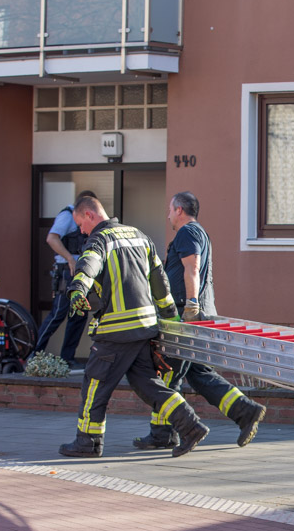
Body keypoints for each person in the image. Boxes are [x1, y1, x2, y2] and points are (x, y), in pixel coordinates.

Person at [58, 195, 209, 458]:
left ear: (90, 215)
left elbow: (89, 264)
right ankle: (191, 426)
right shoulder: (139, 236)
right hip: (145, 327)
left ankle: (88, 442)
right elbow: (160, 281)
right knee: (148, 384)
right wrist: (170, 317)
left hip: (115, 330)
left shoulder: (99, 240)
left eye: (80, 224)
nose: (81, 231)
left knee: (94, 384)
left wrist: (78, 289)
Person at [133, 192, 265, 450]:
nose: (168, 216)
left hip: (186, 315)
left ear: (179, 210)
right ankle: (245, 411)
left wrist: (191, 306)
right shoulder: (198, 233)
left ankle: (162, 433)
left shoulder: (188, 232)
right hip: (195, 314)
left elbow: (192, 267)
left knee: (168, 372)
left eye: (170, 210)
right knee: (198, 372)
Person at [31, 189, 96, 367]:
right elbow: (52, 239)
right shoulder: (67, 216)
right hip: (66, 271)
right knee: (58, 314)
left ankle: (67, 358)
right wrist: (69, 258)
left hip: (81, 272)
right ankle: (33, 354)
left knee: (79, 315)